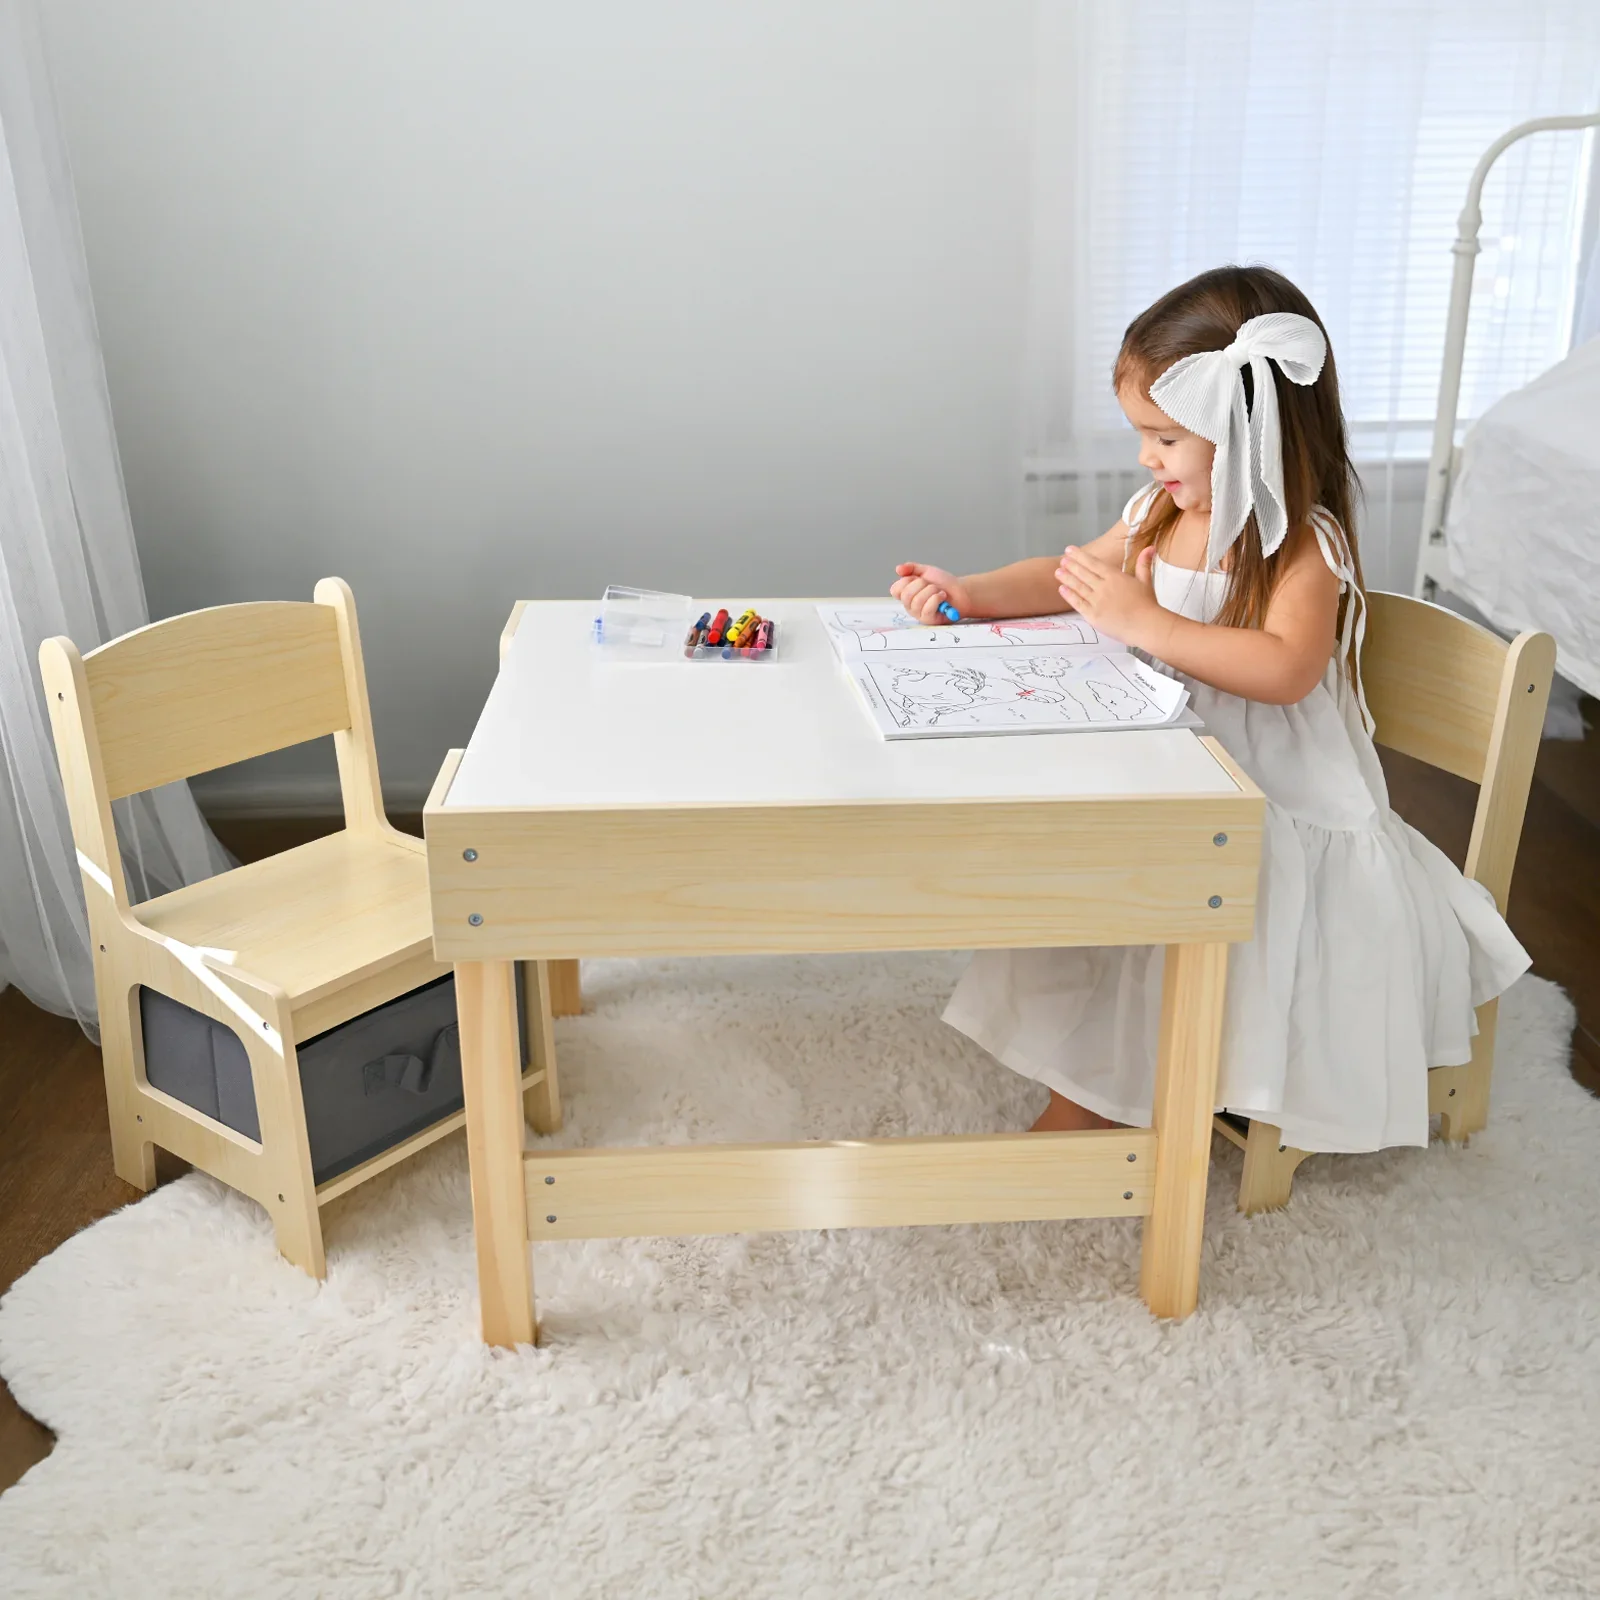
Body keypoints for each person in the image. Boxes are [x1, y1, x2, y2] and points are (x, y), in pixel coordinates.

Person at [889, 265, 1528, 1152]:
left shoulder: (1302, 542)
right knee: (1086, 871)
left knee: (1163, 883)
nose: (1146, 458)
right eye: (1142, 435)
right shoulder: (1159, 508)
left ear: (1250, 434)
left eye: (1164, 437)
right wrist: (973, 591)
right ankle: (1091, 1080)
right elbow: (1073, 575)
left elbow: (1285, 670)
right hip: (1168, 757)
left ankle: (1096, 1108)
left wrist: (1146, 620)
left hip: (1266, 791)